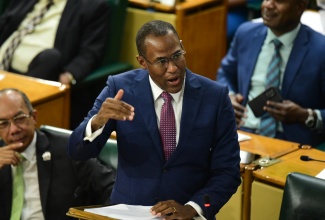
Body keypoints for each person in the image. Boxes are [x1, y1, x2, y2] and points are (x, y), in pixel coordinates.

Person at [67, 20, 241, 220]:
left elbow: (228, 172)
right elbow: (76, 152)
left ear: (183, 47)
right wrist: (97, 121)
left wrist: (194, 208)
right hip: (128, 213)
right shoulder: (120, 89)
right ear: (142, 62)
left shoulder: (215, 97)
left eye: (177, 55)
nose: (173, 68)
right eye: (161, 61)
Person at [217, 0, 325, 147]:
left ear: (299, 7)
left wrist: (305, 115)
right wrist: (229, 96)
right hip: (243, 133)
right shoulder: (246, 34)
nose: (268, 5)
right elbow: (225, 73)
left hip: (292, 143)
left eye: (279, 1)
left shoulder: (320, 50)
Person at [0, 88, 115, 220]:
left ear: (34, 117)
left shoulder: (68, 150)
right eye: (3, 123)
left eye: (19, 118)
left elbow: (111, 187)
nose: (14, 129)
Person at [0, 0, 110, 128]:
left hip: (39, 74)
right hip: (3, 66)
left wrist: (69, 75)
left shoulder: (93, 6)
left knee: (50, 58)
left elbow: (90, 53)